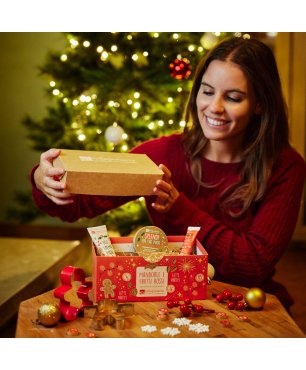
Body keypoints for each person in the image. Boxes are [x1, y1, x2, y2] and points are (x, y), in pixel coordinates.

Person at [30, 37, 306, 311]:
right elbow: (78, 204)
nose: (215, 107)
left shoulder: (286, 166)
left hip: (247, 302)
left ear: (260, 104)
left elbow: (253, 264)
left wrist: (180, 209)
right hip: (171, 300)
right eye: (207, 91)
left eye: (233, 97)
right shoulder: (161, 154)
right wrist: (44, 180)